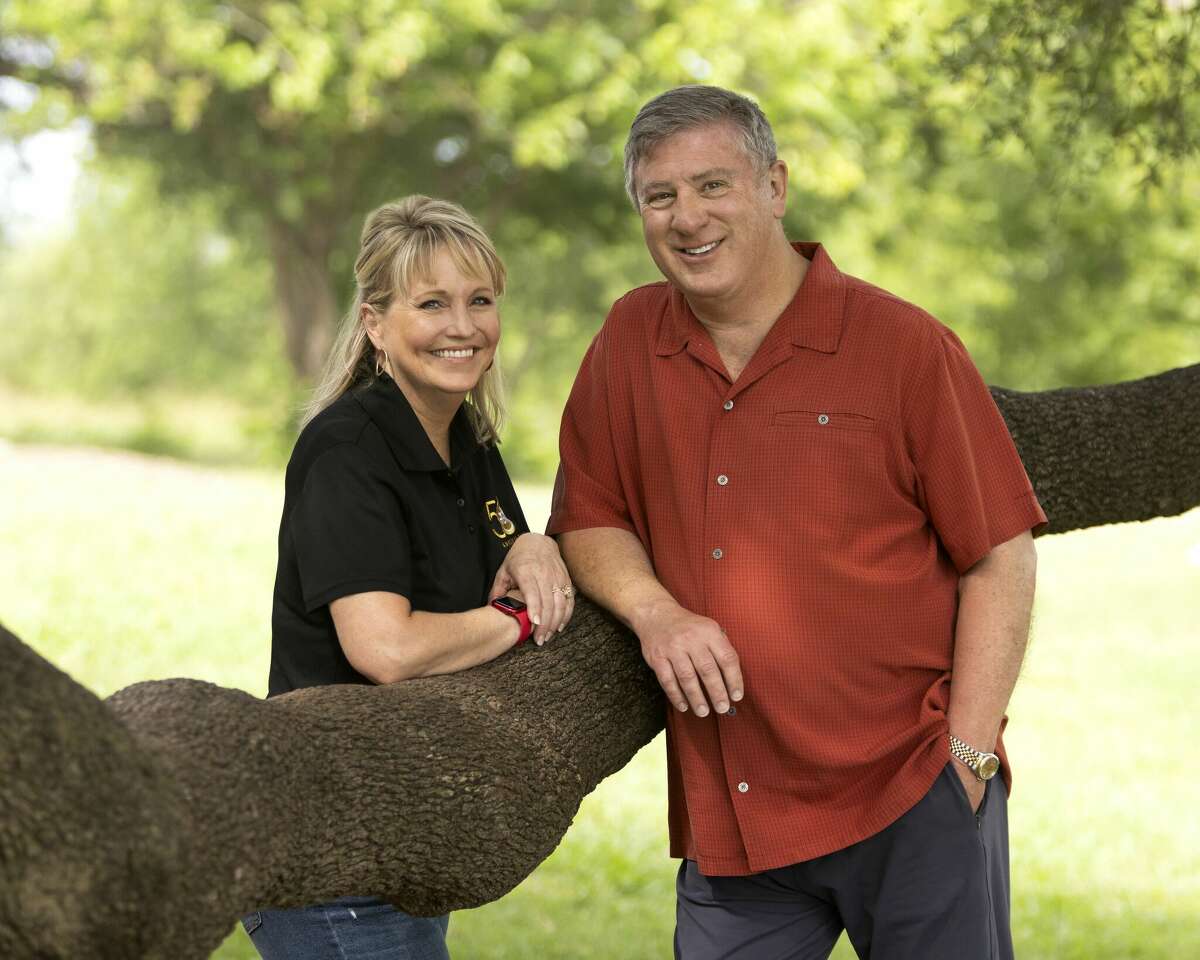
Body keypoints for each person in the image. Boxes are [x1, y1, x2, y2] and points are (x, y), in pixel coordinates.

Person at [548, 85, 1045, 960]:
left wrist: (967, 759)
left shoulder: (904, 347)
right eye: (659, 197)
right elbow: (590, 514)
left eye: (713, 186)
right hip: (737, 813)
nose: (686, 217)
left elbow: (999, 553)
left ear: (774, 186)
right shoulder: (629, 338)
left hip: (909, 790)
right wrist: (656, 612)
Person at [243, 195, 574, 960]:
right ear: (375, 324)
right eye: (432, 304)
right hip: (325, 849)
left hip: (401, 832)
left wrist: (532, 546)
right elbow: (385, 649)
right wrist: (522, 621)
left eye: (480, 300)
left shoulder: (468, 437)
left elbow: (499, 547)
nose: (463, 326)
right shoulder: (346, 452)